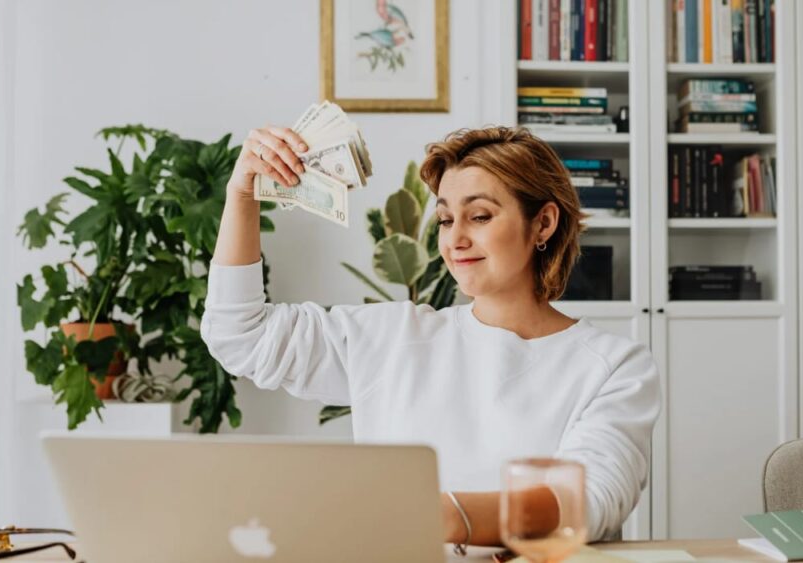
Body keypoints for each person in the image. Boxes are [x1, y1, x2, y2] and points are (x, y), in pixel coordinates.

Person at [201, 125, 661, 549]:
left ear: (543, 223)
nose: (455, 239)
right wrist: (242, 196)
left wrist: (438, 513)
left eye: (479, 216)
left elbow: (590, 502)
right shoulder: (392, 337)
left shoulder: (614, 366)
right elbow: (240, 335)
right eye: (444, 220)